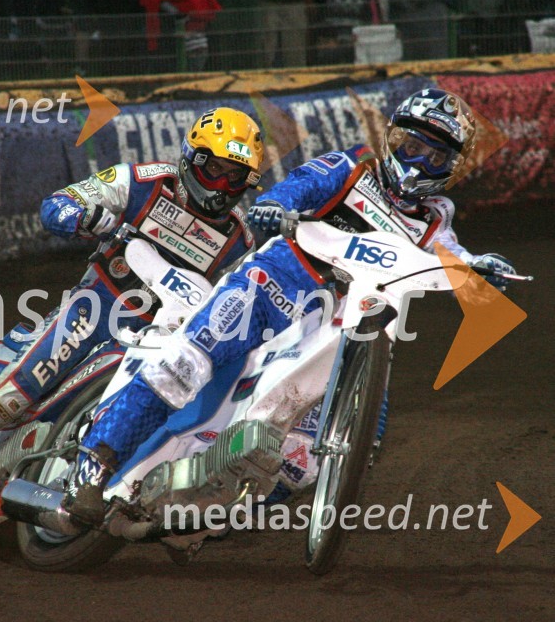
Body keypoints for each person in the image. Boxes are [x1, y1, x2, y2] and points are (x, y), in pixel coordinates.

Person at [64, 88, 518, 525]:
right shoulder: (353, 166)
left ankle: (215, 518)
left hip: (340, 322)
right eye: (411, 144)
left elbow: (451, 254)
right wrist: (274, 207)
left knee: (324, 451)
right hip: (272, 285)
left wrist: (481, 267)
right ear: (392, 136)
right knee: (183, 366)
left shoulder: (436, 216)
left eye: (434, 155)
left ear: (451, 167)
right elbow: (297, 187)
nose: (418, 160)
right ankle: (94, 465)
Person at [0, 107, 265, 461]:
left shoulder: (239, 240)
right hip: (93, 312)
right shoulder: (138, 182)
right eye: (215, 168)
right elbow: (58, 203)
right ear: (192, 157)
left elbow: (236, 305)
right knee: (12, 398)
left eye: (235, 177)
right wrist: (85, 216)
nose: (221, 185)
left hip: (155, 344)